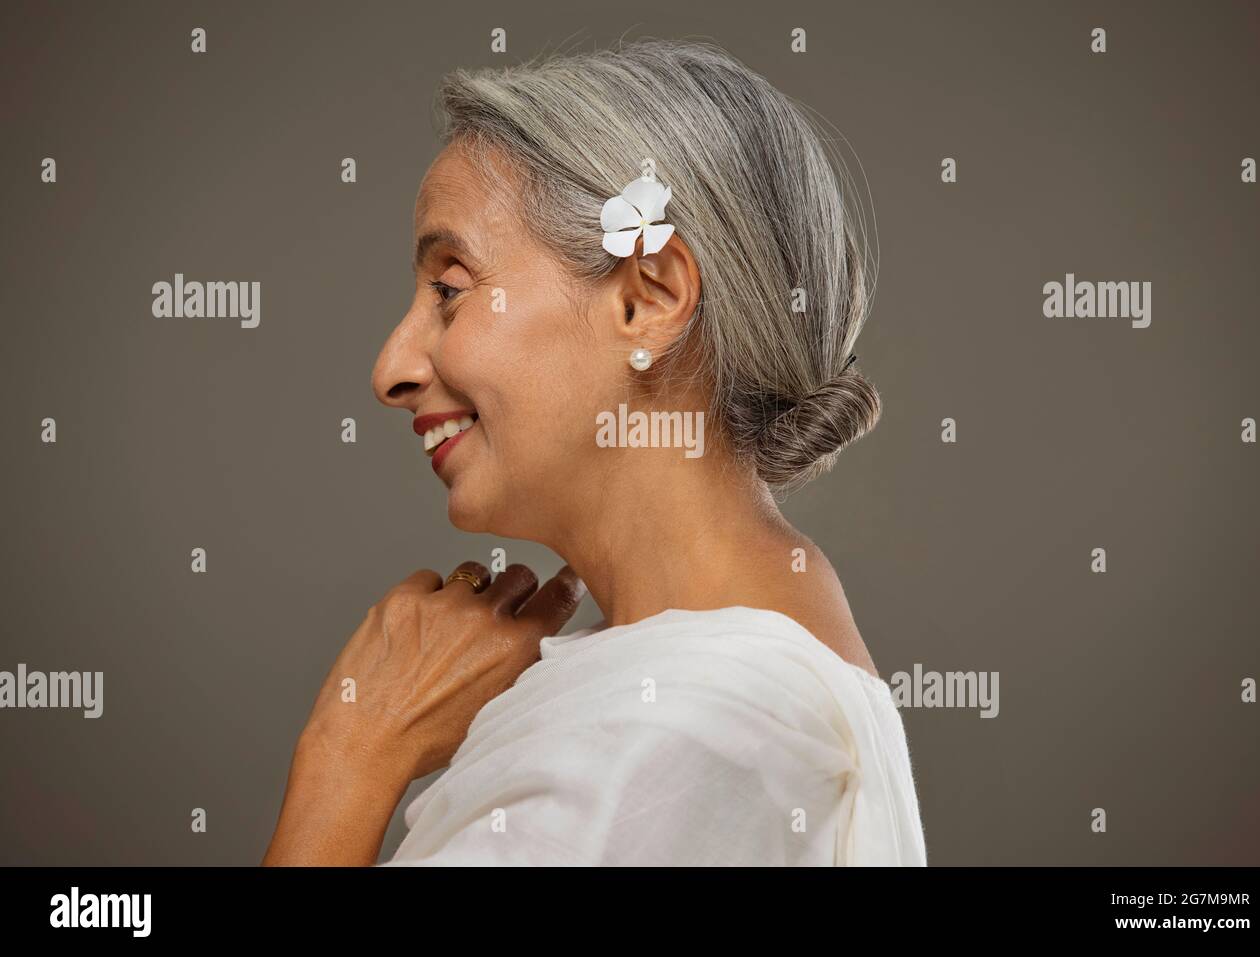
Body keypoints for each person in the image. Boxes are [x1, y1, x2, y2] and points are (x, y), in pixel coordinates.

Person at [263, 39, 926, 866]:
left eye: (450, 290)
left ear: (648, 299)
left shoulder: (681, 732)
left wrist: (348, 757)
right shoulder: (729, 688)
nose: (390, 369)